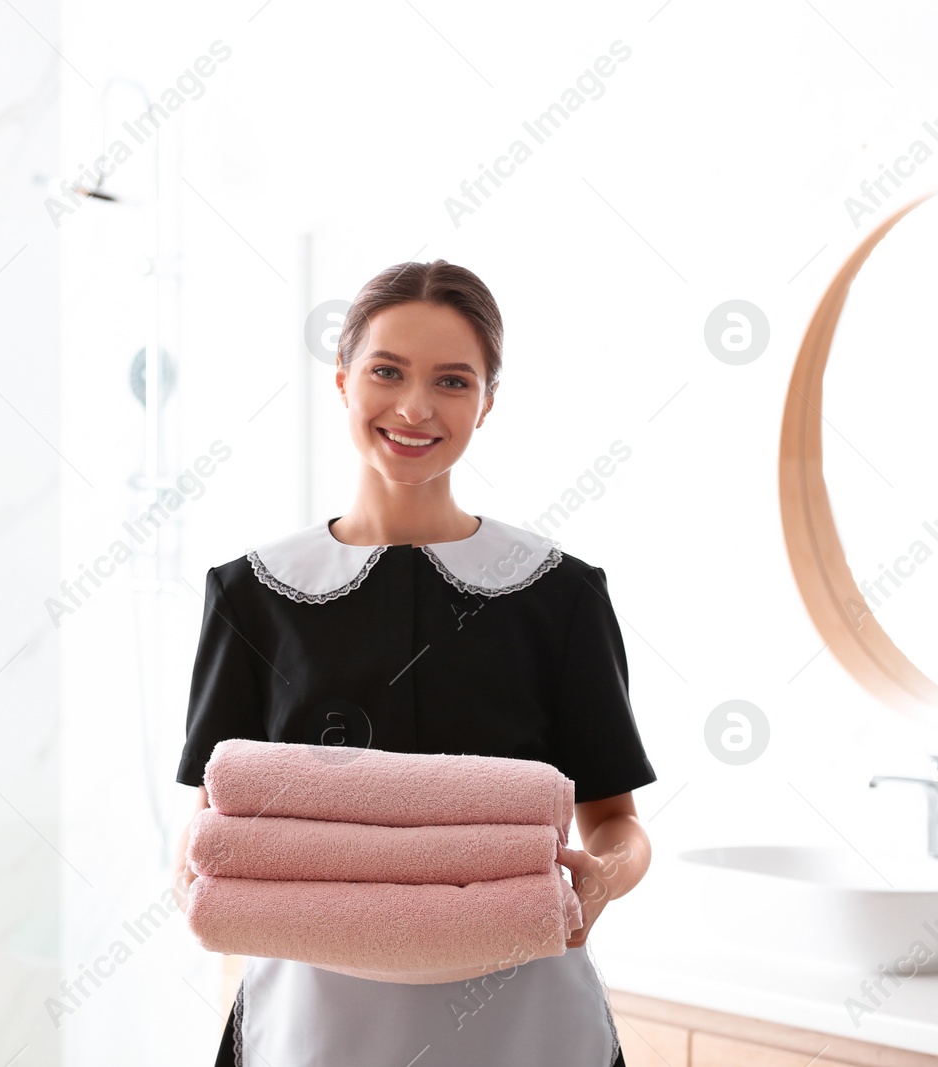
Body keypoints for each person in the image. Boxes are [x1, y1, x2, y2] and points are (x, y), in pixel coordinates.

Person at [172, 259, 655, 1067]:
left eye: (453, 381)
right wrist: (197, 878)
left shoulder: (559, 593)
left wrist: (601, 877)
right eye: (387, 371)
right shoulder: (251, 594)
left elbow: (618, 821)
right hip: (313, 1018)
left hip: (525, 1013)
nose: (415, 407)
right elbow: (209, 823)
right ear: (341, 380)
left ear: (487, 402)